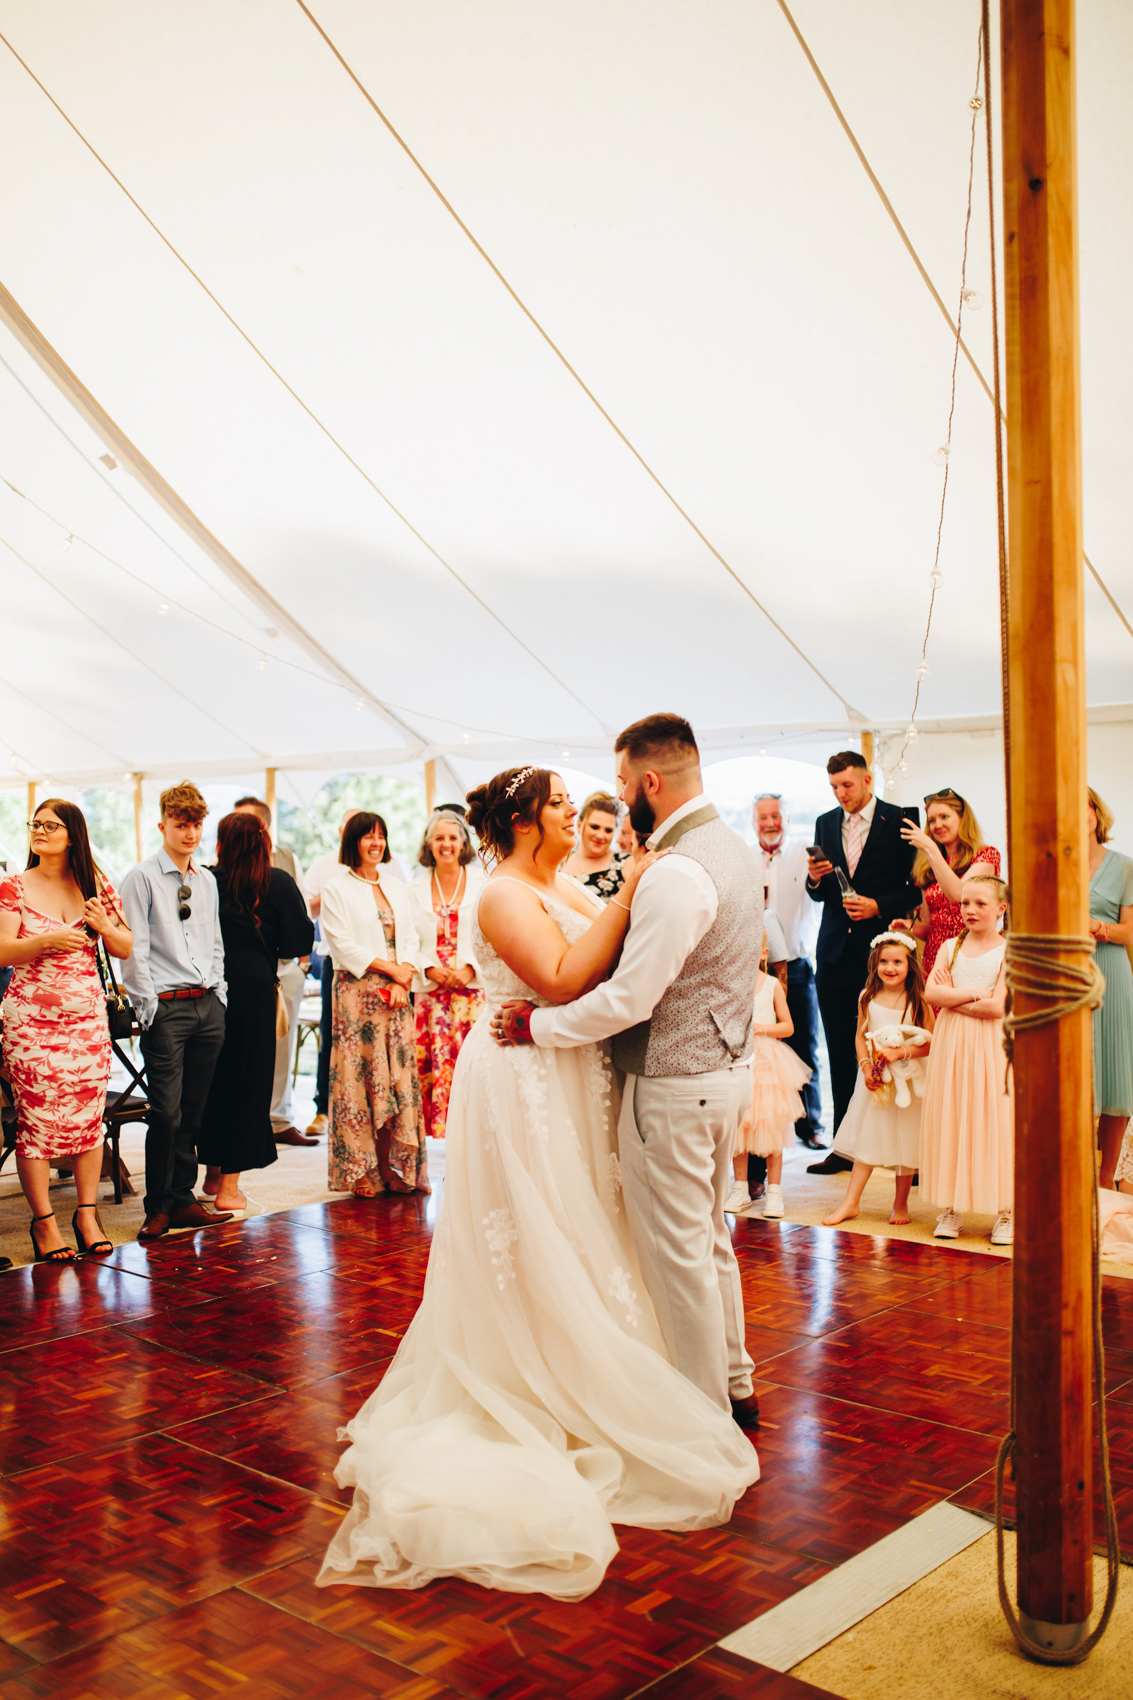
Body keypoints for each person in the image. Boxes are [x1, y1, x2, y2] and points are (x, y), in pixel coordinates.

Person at [317, 760, 759, 1602]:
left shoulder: (565, 881)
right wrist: (632, 894)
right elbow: (559, 977)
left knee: (595, 1215)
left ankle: (627, 1360)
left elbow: (611, 964)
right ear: (524, 818)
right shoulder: (502, 894)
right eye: (559, 802)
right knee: (544, 1218)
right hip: (523, 1075)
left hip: (568, 1065)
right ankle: (541, 1374)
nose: (575, 812)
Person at [494, 716, 764, 1428]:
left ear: (649, 782)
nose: (614, 797)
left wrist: (538, 1026)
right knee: (708, 1239)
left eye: (619, 782)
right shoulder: (731, 849)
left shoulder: (678, 872)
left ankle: (703, 1417)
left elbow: (630, 997)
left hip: (673, 1086)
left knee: (678, 1260)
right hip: (726, 1069)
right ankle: (736, 1384)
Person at [0, 800, 133, 1261]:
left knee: (89, 1121)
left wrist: (102, 925)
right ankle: (44, 1224)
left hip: (87, 1023)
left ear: (72, 834)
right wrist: (46, 941)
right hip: (30, 1026)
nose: (39, 831)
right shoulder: (13, 886)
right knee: (35, 1123)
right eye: (34, 824)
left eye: (49, 825)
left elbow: (125, 946)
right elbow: (2, 952)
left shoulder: (96, 885)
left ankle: (86, 1214)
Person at [120, 781, 233, 1242]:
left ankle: (183, 1198)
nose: (189, 833)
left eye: (196, 824)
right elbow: (132, 951)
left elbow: (215, 942)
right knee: (165, 1111)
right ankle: (158, 1206)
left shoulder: (206, 879)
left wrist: (219, 993)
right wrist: (148, 1007)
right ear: (163, 824)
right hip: (165, 1008)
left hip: (207, 1003)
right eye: (181, 824)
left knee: (193, 1109)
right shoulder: (141, 878)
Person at [805, 752, 919, 1175]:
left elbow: (914, 888)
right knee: (839, 1047)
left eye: (847, 786)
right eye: (834, 787)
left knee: (894, 1048)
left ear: (868, 780)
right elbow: (817, 892)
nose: (840, 794)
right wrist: (815, 877)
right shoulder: (823, 822)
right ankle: (842, 1147)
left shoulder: (900, 820)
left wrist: (878, 905)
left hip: (882, 955)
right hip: (833, 952)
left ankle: (906, 1152)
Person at [197, 813, 314, 1212]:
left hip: (211, 986)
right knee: (247, 1086)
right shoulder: (277, 881)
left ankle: (212, 1173)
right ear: (263, 840)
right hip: (254, 990)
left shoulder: (207, 880)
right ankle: (230, 1187)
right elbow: (296, 942)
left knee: (212, 1081)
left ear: (222, 842)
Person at [320, 812, 428, 1195]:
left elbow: (413, 936)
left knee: (394, 1080)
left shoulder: (399, 887)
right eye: (368, 836)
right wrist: (393, 971)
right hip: (357, 997)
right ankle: (361, 1171)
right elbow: (343, 945)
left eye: (381, 835)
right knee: (359, 1081)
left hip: (396, 1000)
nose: (376, 842)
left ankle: (389, 1166)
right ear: (353, 842)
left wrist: (405, 976)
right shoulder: (337, 889)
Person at [920, 874, 1013, 1243]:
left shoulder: (1010, 951)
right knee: (954, 1114)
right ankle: (951, 1208)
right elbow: (931, 995)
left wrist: (954, 996)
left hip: (992, 1045)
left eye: (980, 904)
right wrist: (976, 992)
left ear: (1001, 909)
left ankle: (1005, 1210)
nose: (970, 910)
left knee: (994, 1118)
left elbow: (997, 1008)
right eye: (965, 903)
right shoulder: (948, 948)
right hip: (953, 1044)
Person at [822, 933, 933, 1229]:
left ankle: (900, 1203)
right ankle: (851, 1202)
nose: (890, 968)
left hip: (909, 1079)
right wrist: (865, 1066)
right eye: (884, 961)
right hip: (876, 1078)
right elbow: (861, 1035)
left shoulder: (917, 999)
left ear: (910, 965)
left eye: (897, 962)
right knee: (867, 1137)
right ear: (875, 964)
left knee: (906, 1138)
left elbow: (932, 1042)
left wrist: (901, 1052)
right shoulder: (867, 997)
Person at [232, 797, 314, 1149]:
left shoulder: (284, 860)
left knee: (283, 1042)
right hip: (239, 971)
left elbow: (298, 913)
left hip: (283, 967)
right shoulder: (220, 866)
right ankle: (240, 1118)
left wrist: (300, 961)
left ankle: (278, 1117)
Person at [408, 809, 486, 1140]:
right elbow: (406, 938)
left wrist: (470, 967)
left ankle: (474, 1141)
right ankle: (436, 1149)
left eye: (453, 837)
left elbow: (491, 932)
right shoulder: (414, 887)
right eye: (439, 838)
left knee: (473, 1067)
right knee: (432, 1070)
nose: (446, 844)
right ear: (429, 844)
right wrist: (429, 968)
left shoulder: (483, 882)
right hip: (431, 994)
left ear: (463, 843)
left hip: (471, 994)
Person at [754, 793, 823, 1148]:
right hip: (752, 972)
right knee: (759, 1048)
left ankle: (810, 1126)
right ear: (754, 821)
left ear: (788, 818)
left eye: (776, 816)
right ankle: (762, 1130)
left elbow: (819, 891)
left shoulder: (804, 854)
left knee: (804, 1045)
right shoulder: (745, 859)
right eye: (762, 817)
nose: (769, 823)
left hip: (795, 965)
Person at [726, 944, 810, 1220]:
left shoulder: (772, 985)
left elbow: (788, 1026)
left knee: (772, 1126)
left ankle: (774, 1191)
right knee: (740, 1125)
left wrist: (762, 1028)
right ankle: (739, 1188)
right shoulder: (731, 982)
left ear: (763, 952)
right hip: (740, 1059)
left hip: (768, 1063)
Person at [895, 790, 1001, 975]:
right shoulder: (926, 866)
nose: (938, 825)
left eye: (944, 816)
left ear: (962, 818)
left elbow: (959, 894)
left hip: (970, 955)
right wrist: (910, 927)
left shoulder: (985, 856)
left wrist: (929, 848)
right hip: (935, 959)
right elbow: (930, 926)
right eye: (932, 820)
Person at [302, 809, 361, 1139]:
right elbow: (305, 910)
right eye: (350, 827)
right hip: (334, 963)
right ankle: (323, 1108)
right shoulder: (324, 865)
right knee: (331, 1034)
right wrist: (333, 893)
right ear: (339, 831)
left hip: (379, 966)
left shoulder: (387, 864)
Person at [1087, 789, 1133, 1189]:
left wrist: (1098, 927)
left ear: (1096, 814)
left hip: (1111, 973)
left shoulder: (1123, 866)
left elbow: (1129, 931)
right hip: (1066, 973)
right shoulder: (1052, 863)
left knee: (1116, 1074)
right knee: (1076, 1073)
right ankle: (1075, 1175)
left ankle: (1106, 1181)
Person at [565, 792, 627, 901]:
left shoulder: (624, 864)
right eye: (594, 827)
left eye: (608, 830)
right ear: (579, 825)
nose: (600, 836)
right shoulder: (560, 861)